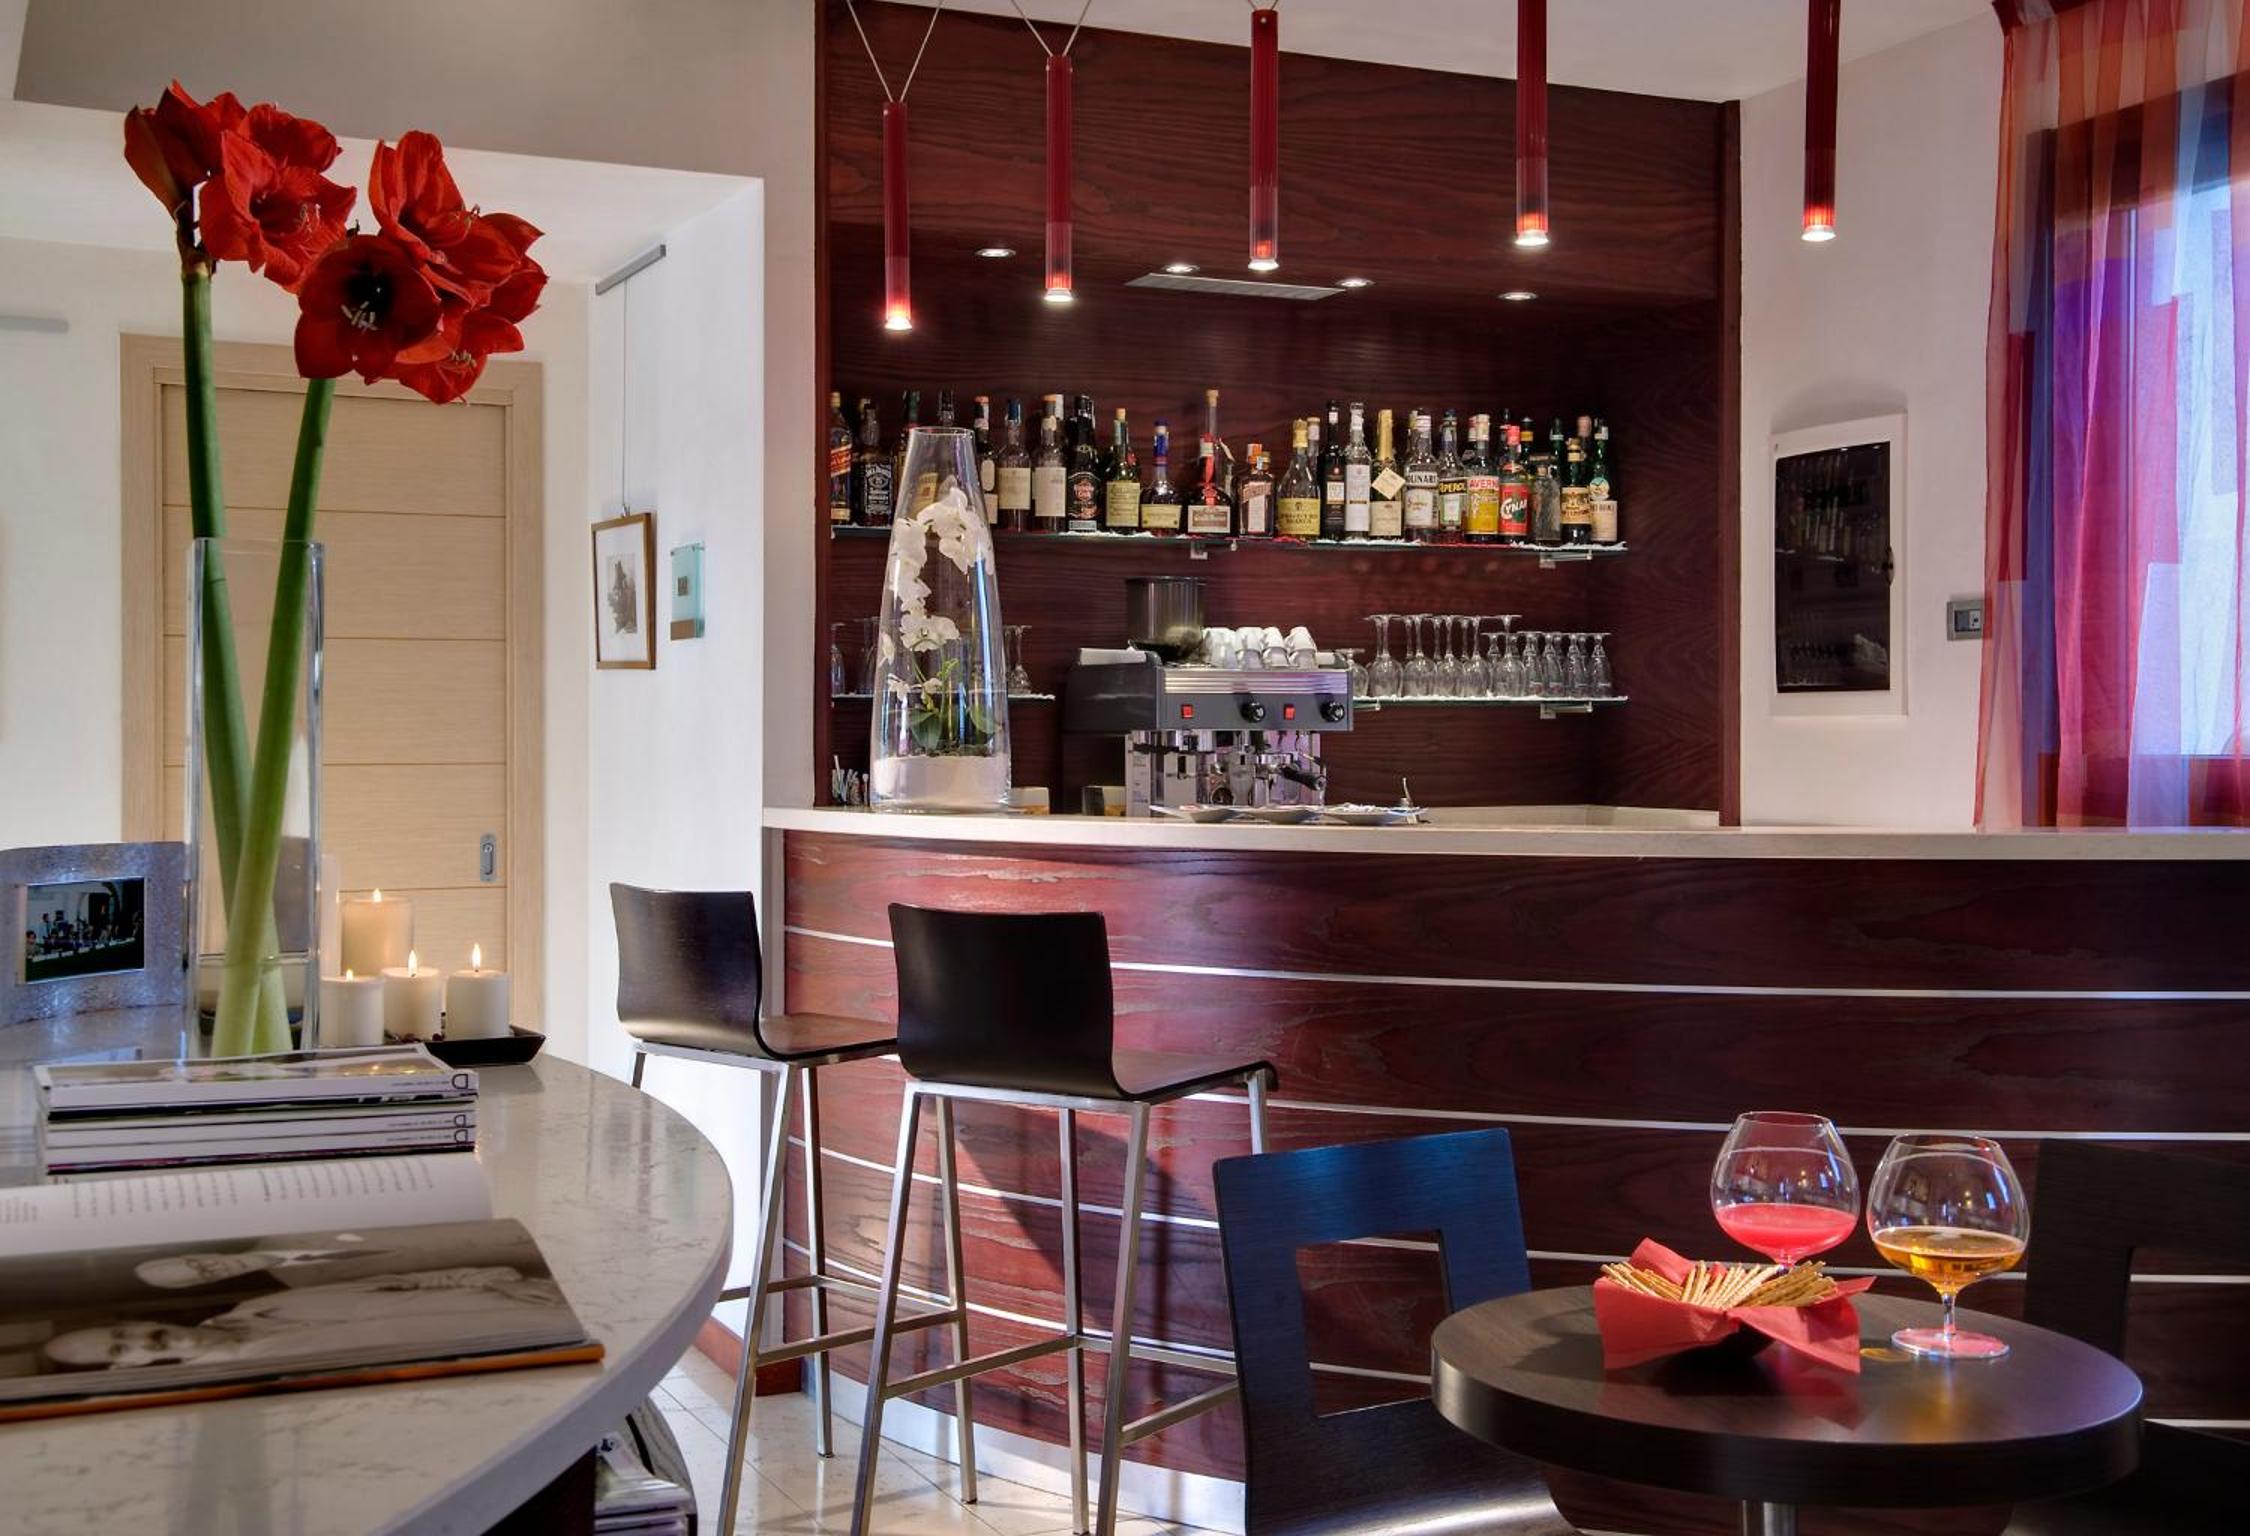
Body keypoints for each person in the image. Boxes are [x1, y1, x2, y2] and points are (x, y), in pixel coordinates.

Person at [42, 1266, 571, 1371]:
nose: (139, 1340)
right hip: (532, 1354)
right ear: (127, 1367)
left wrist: (498, 1279)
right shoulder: (260, 1382)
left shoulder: (258, 1305)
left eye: (120, 1331)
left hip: (537, 1295)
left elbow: (406, 1282)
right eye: (119, 1348)